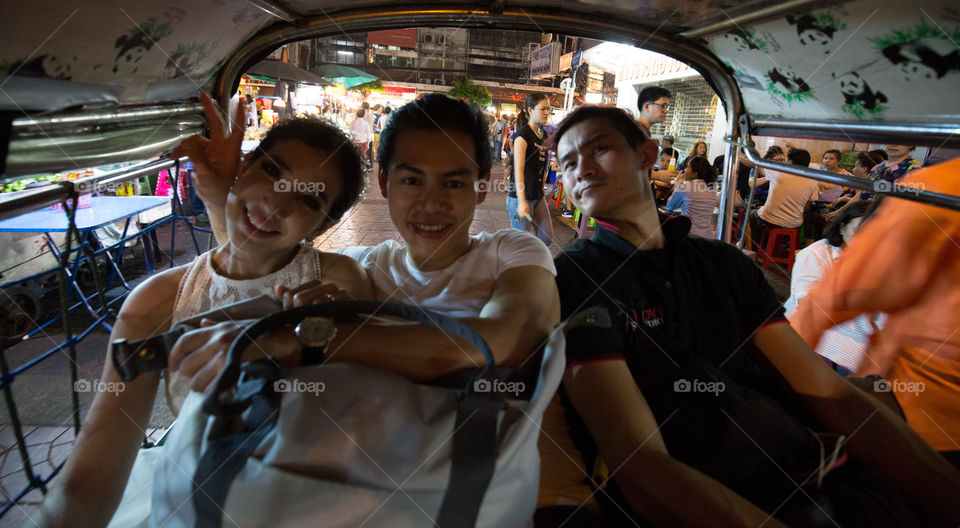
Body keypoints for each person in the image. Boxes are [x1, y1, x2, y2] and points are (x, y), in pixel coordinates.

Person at [544, 105, 960, 527]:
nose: (583, 170)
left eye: (600, 150)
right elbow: (641, 463)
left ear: (648, 155)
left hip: (793, 466)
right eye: (569, 163)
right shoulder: (578, 276)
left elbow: (826, 393)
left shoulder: (723, 263)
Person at [34, 100, 372, 527]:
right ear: (244, 167)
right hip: (205, 491)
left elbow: (365, 413)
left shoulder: (341, 284)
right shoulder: (156, 302)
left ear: (321, 227)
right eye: (271, 171)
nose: (274, 204)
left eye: (308, 199)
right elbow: (91, 478)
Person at [176, 92, 559, 386]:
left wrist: (309, 339)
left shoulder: (513, 251)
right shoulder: (356, 267)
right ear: (384, 183)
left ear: (481, 187)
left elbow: (509, 339)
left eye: (454, 182)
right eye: (411, 180)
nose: (431, 203)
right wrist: (219, 200)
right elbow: (254, 267)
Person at [790, 157, 960, 469]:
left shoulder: (941, 188)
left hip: (923, 414)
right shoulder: (817, 255)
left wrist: (785, 378)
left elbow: (834, 299)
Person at [784, 200, 885, 375]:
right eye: (859, 231)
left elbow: (886, 315)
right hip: (825, 339)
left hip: (862, 343)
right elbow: (806, 303)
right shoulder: (817, 254)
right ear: (843, 228)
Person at [748, 147, 819, 250]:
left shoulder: (778, 172)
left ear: (790, 161)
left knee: (749, 215)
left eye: (784, 160)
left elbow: (752, 164)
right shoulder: (813, 180)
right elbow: (807, 207)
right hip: (795, 224)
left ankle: (750, 250)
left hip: (770, 220)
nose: (783, 162)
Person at [507, 93, 554, 246]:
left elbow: (543, 164)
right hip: (519, 198)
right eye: (542, 109)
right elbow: (518, 169)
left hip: (538, 196)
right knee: (520, 243)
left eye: (548, 109)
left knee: (546, 237)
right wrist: (521, 201)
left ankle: (532, 263)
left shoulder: (544, 135)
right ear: (530, 110)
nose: (546, 113)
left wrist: (541, 187)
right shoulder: (523, 135)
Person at [666, 155, 719, 238]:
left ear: (695, 174)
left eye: (688, 167)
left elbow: (670, 206)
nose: (685, 170)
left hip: (690, 236)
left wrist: (677, 184)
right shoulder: (712, 188)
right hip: (708, 236)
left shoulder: (685, 187)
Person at [636, 86, 677, 184]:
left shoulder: (644, 132)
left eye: (667, 107)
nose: (666, 111)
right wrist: (658, 175)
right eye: (662, 106)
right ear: (647, 107)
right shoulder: (634, 132)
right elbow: (625, 168)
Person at [827, 151, 876, 218]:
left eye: (855, 167)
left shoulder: (873, 186)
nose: (853, 169)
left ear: (864, 169)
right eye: (825, 158)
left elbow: (859, 201)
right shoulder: (863, 185)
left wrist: (844, 200)